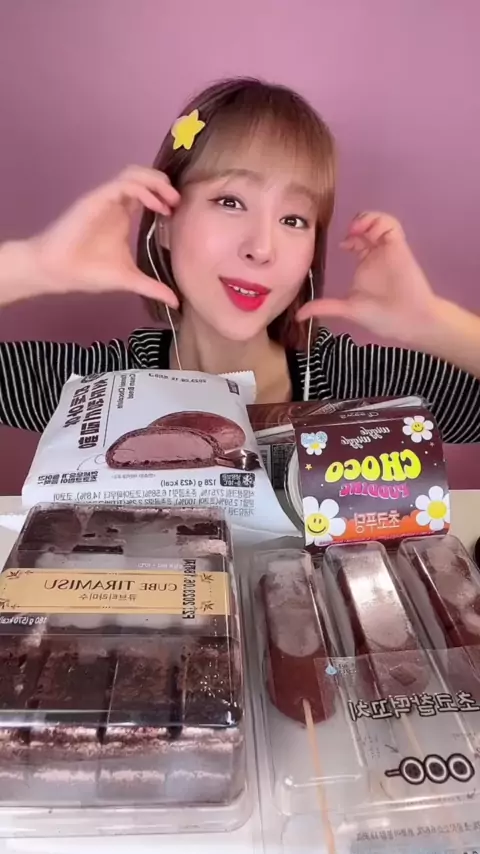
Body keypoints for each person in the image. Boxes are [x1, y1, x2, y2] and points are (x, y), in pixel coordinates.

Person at [0, 77, 479, 440]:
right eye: (230, 202)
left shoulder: (355, 385)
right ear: (164, 220)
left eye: (294, 219)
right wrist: (35, 265)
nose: (262, 248)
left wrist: (431, 322)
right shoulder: (97, 390)